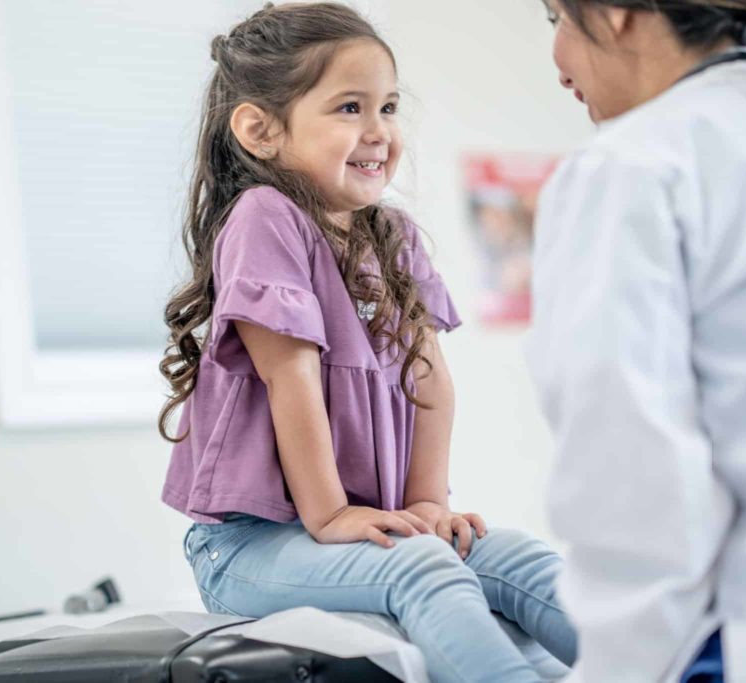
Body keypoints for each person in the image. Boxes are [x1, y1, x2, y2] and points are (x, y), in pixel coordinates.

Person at [158, 4, 577, 681]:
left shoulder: (395, 237)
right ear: (261, 130)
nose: (378, 131)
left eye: (387, 107)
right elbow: (290, 379)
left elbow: (431, 383)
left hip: (362, 521)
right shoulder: (265, 220)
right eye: (349, 107)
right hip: (245, 548)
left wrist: (426, 505)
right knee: (422, 567)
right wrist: (328, 515)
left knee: (521, 558)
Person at [530, 1, 746, 681]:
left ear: (612, 14)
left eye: (555, 19)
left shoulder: (632, 168)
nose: (557, 64)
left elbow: (632, 487)